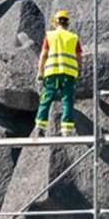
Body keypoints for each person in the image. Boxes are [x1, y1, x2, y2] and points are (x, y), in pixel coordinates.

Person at [32, 8, 80, 138]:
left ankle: (40, 127)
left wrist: (40, 72)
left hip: (52, 73)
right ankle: (67, 130)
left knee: (46, 99)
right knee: (67, 101)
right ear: (67, 23)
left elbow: (43, 55)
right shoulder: (73, 37)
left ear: (56, 22)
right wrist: (77, 70)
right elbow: (79, 56)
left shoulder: (50, 36)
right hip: (68, 73)